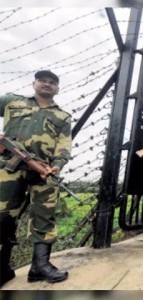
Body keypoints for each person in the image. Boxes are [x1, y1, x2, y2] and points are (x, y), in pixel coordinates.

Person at [0, 70, 71, 287]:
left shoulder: (62, 116)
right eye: (43, 81)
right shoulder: (12, 101)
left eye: (52, 82)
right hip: (8, 167)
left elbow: (63, 147)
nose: (47, 85)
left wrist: (56, 167)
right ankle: (2, 268)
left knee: (44, 216)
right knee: (3, 215)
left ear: (57, 89)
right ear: (34, 83)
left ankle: (39, 266)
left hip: (43, 169)